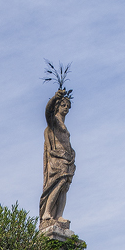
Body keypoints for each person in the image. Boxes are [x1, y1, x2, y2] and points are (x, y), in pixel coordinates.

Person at [39, 87, 75, 226]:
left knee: (64, 186)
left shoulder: (64, 126)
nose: (66, 108)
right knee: (57, 184)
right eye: (63, 105)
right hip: (56, 159)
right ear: (57, 106)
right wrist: (55, 97)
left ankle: (59, 215)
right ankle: (47, 212)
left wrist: (72, 153)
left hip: (67, 160)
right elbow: (47, 112)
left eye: (68, 106)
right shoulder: (54, 122)